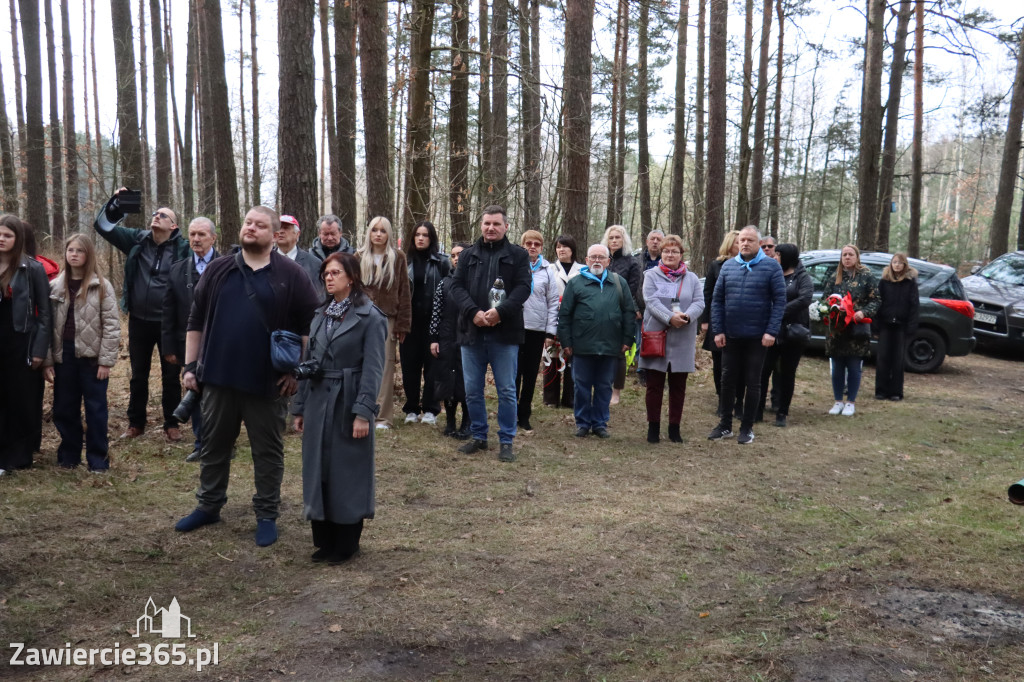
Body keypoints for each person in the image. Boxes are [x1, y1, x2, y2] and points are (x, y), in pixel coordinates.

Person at [174, 206, 320, 547]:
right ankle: (209, 505)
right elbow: (195, 321)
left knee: (267, 452)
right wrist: (189, 366)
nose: (251, 228)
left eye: (260, 225)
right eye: (247, 223)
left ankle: (267, 514)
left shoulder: (291, 274)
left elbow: (309, 328)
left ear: (274, 234)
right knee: (213, 446)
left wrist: (298, 372)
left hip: (267, 383)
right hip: (218, 379)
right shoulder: (219, 269)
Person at [292, 253, 387, 564]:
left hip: (348, 400)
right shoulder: (320, 314)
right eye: (325, 274)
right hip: (319, 400)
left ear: (351, 277)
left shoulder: (370, 317)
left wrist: (363, 412)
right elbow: (310, 361)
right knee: (318, 468)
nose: (328, 278)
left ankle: (346, 544)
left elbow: (374, 369)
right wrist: (300, 407)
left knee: (347, 471)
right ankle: (324, 541)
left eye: (335, 273)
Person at [93, 188, 190, 442]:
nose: (156, 216)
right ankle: (136, 423)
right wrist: (117, 203)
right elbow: (102, 226)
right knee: (138, 374)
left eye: (163, 215)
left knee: (171, 375)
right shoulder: (137, 239)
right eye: (155, 213)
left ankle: (172, 423)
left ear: (174, 225)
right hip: (139, 320)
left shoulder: (183, 249)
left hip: (170, 323)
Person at [449, 205, 532, 462]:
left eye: (496, 224)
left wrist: (501, 312)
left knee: (506, 389)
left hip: (504, 333)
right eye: (487, 224)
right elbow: (455, 286)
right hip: (471, 332)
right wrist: (473, 311)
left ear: (506, 227)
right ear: (481, 226)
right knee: (473, 390)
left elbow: (523, 288)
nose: (491, 228)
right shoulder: (468, 255)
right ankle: (479, 436)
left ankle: (506, 440)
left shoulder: (518, 255)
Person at [42, 234, 120, 471]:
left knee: (96, 410)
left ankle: (98, 460)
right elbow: (45, 325)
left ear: (88, 255)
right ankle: (69, 455)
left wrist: (105, 361)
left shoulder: (101, 286)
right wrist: (47, 360)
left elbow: (112, 326)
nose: (74, 254)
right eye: (70, 250)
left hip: (92, 358)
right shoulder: (55, 286)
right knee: (64, 408)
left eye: (79, 250)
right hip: (63, 356)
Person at [707, 226, 786, 445]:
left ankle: (747, 427)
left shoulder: (771, 267)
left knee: (753, 381)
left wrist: (771, 331)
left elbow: (780, 301)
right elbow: (717, 300)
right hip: (730, 335)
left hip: (757, 336)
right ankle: (725, 425)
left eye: (750, 240)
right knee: (727, 380)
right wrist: (718, 329)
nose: (745, 243)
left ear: (758, 244)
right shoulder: (728, 266)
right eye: (742, 240)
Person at [558, 244, 636, 439]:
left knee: (604, 386)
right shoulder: (575, 283)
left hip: (611, 346)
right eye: (593, 257)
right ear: (586, 260)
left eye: (601, 257)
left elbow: (628, 313)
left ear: (608, 261)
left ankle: (600, 423)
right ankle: (583, 423)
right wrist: (566, 341)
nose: (597, 261)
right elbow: (565, 315)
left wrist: (627, 338)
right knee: (581, 386)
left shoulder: (619, 283)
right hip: (582, 346)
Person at [162, 217, 220, 462]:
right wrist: (169, 346)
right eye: (192, 234)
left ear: (213, 238)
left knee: (220, 395)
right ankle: (201, 443)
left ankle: (220, 442)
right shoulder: (177, 269)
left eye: (201, 235)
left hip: (221, 342)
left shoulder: (227, 265)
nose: (196, 239)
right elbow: (168, 311)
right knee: (194, 388)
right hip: (189, 344)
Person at [637, 235, 703, 444]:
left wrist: (687, 316)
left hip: (683, 336)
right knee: (654, 385)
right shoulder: (651, 275)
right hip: (657, 335)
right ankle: (653, 427)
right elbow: (650, 301)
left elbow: (699, 302)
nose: (669, 255)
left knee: (678, 386)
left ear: (681, 254)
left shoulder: (691, 278)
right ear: (661, 254)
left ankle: (674, 427)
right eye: (666, 251)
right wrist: (670, 317)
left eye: (674, 251)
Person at [0, 215, 52, 474]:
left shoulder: (32, 268)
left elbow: (44, 313)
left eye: (7, 235)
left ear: (17, 239)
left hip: (22, 340)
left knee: (20, 399)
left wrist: (40, 350)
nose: (1, 239)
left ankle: (18, 456)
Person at [356, 216, 411, 430]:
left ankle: (383, 417)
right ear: (369, 233)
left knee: (386, 366)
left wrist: (402, 325)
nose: (378, 234)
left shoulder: (398, 257)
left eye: (383, 231)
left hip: (388, 319)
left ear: (388, 234)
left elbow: (404, 292)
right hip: (361, 318)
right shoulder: (359, 256)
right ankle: (360, 411)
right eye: (374, 230)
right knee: (360, 364)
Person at [756, 243, 813, 428]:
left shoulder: (802, 277)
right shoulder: (773, 273)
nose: (775, 256)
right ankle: (757, 410)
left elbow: (805, 298)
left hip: (793, 333)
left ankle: (782, 411)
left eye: (778, 254)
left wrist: (779, 311)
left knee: (787, 373)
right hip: (771, 331)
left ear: (788, 257)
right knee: (764, 371)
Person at [821, 244, 880, 417]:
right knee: (837, 366)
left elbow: (876, 300)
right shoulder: (835, 277)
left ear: (857, 257)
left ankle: (851, 402)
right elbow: (826, 299)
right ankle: (838, 400)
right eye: (844, 255)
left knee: (854, 366)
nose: (847, 257)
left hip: (857, 328)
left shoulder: (866, 276)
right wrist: (828, 310)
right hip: (837, 330)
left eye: (850, 254)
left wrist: (864, 312)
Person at [401, 220, 449, 426]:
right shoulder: (403, 261)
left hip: (432, 322)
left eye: (425, 235)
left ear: (431, 238)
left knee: (432, 368)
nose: (421, 238)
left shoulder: (442, 262)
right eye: (417, 234)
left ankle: (431, 409)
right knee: (409, 367)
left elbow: (449, 290)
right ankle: (411, 408)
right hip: (409, 323)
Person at [515, 230, 559, 431]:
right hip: (514, 327)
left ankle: (524, 414)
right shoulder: (515, 266)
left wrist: (550, 332)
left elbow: (552, 303)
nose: (532, 247)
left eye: (536, 244)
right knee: (513, 372)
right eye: (528, 243)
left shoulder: (548, 270)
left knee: (531, 373)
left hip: (536, 329)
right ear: (523, 245)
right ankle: (510, 411)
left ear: (541, 247)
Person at [430, 243, 471, 439]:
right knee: (447, 380)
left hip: (468, 338)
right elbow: (436, 313)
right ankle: (450, 422)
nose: (456, 258)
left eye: (460, 254)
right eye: (453, 255)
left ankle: (467, 422)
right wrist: (434, 338)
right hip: (446, 338)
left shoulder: (474, 282)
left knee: (467, 381)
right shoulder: (443, 283)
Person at [699, 230, 740, 416]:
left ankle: (739, 400)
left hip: (739, 321)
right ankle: (723, 400)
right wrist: (705, 320)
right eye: (738, 242)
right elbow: (707, 294)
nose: (742, 245)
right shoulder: (716, 265)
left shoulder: (750, 265)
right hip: (718, 319)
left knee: (740, 362)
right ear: (730, 244)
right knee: (719, 363)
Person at [602, 225, 642, 405]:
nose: (614, 241)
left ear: (624, 240)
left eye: (618, 237)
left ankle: (615, 391)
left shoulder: (632, 262)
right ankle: (601, 386)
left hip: (621, 312)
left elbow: (631, 290)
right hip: (598, 312)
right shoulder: (602, 259)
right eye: (611, 238)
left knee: (619, 352)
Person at [543, 235, 582, 409]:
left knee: (571, 355)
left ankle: (570, 397)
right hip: (553, 316)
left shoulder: (582, 270)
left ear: (572, 250)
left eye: (565, 247)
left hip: (575, 319)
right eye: (558, 247)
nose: (561, 250)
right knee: (551, 356)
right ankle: (550, 398)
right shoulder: (549, 268)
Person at [875, 253, 918, 401]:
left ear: (905, 265)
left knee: (898, 360)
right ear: (891, 264)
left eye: (900, 263)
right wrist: (875, 326)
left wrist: (911, 327)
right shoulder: (884, 281)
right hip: (885, 325)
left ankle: (896, 391)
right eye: (895, 262)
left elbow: (914, 306)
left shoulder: (910, 283)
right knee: (883, 358)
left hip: (901, 326)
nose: (897, 265)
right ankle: (881, 390)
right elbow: (877, 304)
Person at [274, 215, 323, 288]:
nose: (280, 231)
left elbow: (319, 296)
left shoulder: (313, 263)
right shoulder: (264, 261)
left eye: (286, 228)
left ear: (297, 234)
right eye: (278, 228)